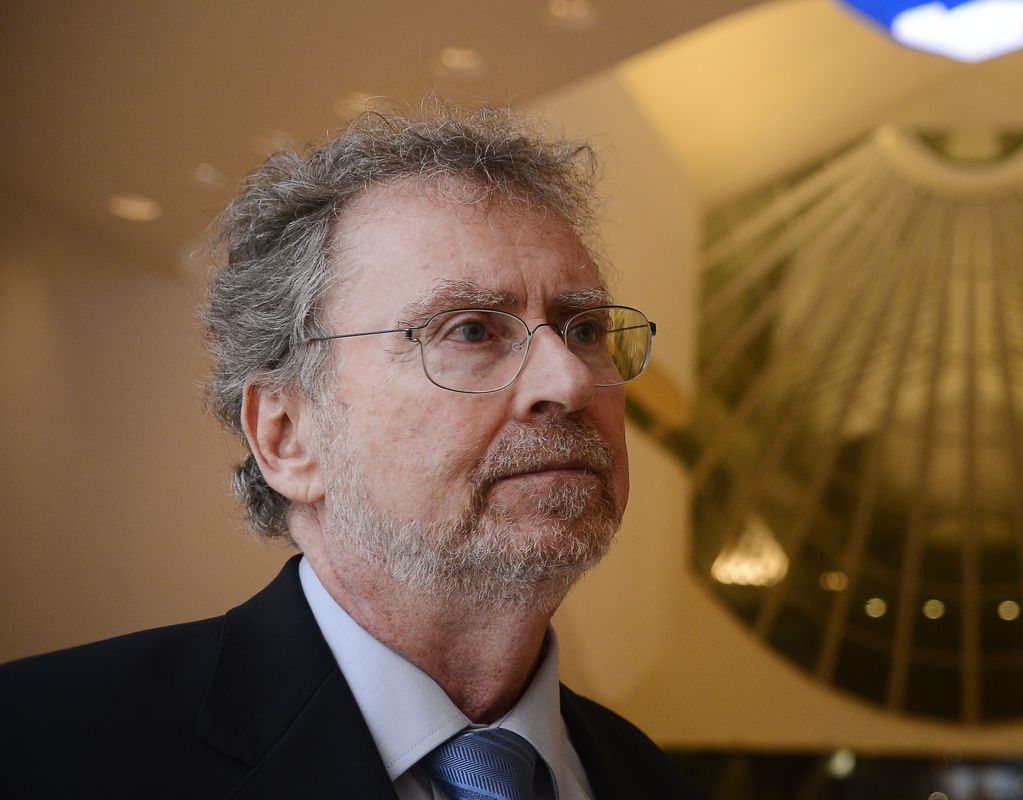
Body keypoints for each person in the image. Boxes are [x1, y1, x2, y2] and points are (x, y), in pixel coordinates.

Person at [0, 106, 700, 799]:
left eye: (585, 330)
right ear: (287, 436)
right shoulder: (43, 746)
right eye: (470, 330)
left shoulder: (652, 781)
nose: (569, 381)